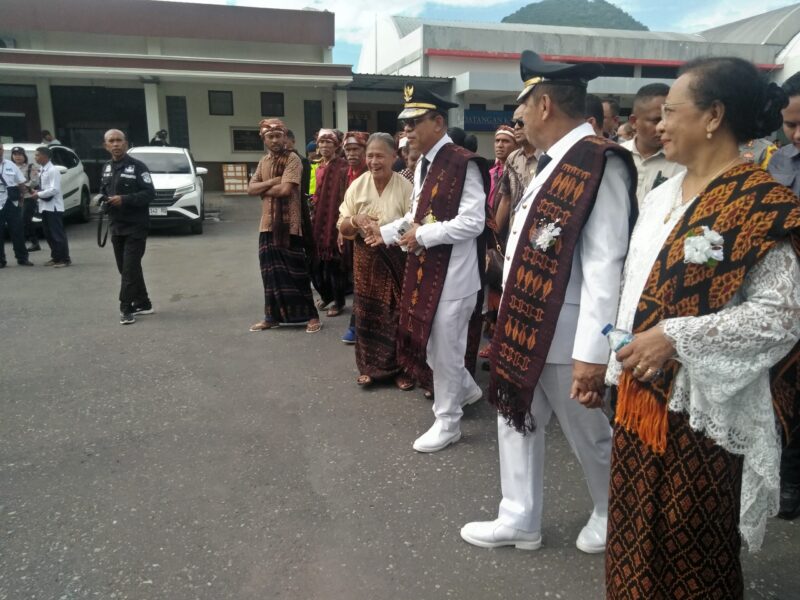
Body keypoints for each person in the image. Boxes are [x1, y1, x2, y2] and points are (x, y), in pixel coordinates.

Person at [603, 57, 800, 599]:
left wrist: (675, 337)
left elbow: (780, 317)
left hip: (703, 410)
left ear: (713, 115)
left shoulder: (761, 202)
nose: (656, 123)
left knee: (691, 543)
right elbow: (634, 287)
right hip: (641, 401)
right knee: (633, 529)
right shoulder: (664, 194)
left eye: (669, 111)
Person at [460, 50, 637, 554]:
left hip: (568, 335)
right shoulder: (552, 163)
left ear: (542, 105)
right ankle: (519, 517)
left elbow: (606, 263)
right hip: (525, 326)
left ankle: (610, 511)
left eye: (520, 114)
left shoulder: (599, 161)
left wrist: (592, 353)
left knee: (588, 432)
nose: (517, 126)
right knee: (516, 419)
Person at [362, 84, 488, 453]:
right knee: (433, 347)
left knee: (445, 349)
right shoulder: (423, 166)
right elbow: (416, 217)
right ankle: (465, 389)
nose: (407, 132)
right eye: (404, 124)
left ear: (438, 122)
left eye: (415, 122)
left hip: (455, 276)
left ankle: (448, 422)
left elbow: (474, 222)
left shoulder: (464, 163)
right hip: (427, 270)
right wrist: (385, 233)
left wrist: (424, 234)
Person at [338, 133, 414, 388]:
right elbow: (343, 224)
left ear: (394, 157)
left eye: (380, 155)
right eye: (370, 155)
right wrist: (356, 220)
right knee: (367, 312)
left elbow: (415, 222)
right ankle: (370, 367)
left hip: (397, 257)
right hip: (366, 259)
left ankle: (402, 369)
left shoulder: (405, 187)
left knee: (397, 313)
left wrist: (390, 235)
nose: (373, 161)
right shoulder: (358, 185)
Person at [247, 119, 321, 334]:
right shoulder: (264, 162)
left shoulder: (293, 160)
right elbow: (250, 188)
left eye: (279, 135)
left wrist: (263, 189)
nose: (275, 140)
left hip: (290, 225)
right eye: (270, 136)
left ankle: (311, 316)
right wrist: (271, 182)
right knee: (270, 274)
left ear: (285, 137)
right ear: (264, 139)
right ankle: (272, 317)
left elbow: (285, 190)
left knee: (296, 273)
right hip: (267, 225)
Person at [769, 72, 800, 521]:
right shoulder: (778, 162)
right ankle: (789, 479)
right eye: (791, 125)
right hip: (785, 299)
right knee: (786, 393)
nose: (797, 134)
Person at [99, 129, 155, 325]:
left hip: (136, 227)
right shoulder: (106, 167)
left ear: (126, 143)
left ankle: (126, 307)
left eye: (119, 140)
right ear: (106, 145)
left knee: (129, 269)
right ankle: (144, 302)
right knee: (126, 268)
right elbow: (103, 191)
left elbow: (149, 194)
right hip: (116, 226)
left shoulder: (138, 167)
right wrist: (103, 200)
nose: (115, 144)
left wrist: (125, 199)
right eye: (111, 141)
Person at [621, 83, 685, 204]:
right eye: (656, 120)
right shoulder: (616, 156)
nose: (663, 126)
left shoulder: (682, 163)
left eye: (669, 118)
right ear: (634, 122)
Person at [310, 128, 349, 317]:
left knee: (334, 263)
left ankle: (339, 302)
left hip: (334, 219)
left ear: (337, 145)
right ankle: (327, 296)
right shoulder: (318, 166)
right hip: (318, 218)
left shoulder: (342, 167)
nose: (324, 146)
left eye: (329, 143)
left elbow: (343, 196)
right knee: (317, 263)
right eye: (321, 142)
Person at [492, 105, 540, 239]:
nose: (517, 127)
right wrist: (493, 237)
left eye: (521, 122)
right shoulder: (513, 159)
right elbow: (506, 199)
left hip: (540, 236)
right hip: (514, 235)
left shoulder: (549, 156)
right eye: (514, 123)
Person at [340, 131, 369, 344]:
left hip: (371, 234)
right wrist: (341, 230)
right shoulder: (346, 173)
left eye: (355, 149)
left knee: (366, 282)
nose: (351, 154)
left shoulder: (372, 173)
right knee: (357, 279)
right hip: (350, 230)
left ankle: (357, 325)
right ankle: (357, 324)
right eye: (348, 150)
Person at [31, 146, 70, 267]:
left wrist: (38, 194)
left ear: (45, 156)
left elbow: (54, 189)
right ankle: (56, 257)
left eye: (37, 155)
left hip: (53, 207)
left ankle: (64, 259)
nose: (35, 157)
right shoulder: (42, 169)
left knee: (57, 234)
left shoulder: (53, 170)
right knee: (48, 234)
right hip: (44, 206)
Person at [0, 143, 33, 268]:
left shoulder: (10, 165)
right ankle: (1, 260)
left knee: (17, 232)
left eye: (0, 149)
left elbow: (21, 183)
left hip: (12, 203)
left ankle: (22, 258)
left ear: (3, 151)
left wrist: (21, 199)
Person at [10, 146, 41, 252]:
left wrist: (23, 187)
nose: (17, 157)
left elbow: (35, 181)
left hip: (28, 197)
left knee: (24, 219)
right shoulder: (9, 167)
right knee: (19, 221)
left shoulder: (30, 167)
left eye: (19, 154)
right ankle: (27, 243)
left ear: (24, 155)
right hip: (13, 199)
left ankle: (32, 243)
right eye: (15, 155)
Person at [488, 125, 517, 211]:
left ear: (516, 145)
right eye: (497, 141)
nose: (500, 145)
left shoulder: (519, 173)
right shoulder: (490, 173)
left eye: (505, 141)